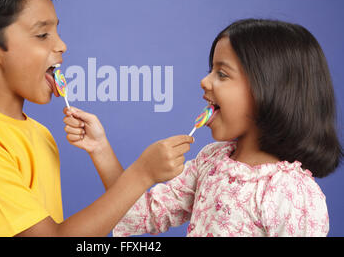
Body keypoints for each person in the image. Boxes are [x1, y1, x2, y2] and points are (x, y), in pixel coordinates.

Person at [0, 0, 194, 237]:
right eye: (42, 34)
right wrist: (141, 174)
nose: (62, 45)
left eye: (57, 31)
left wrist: (101, 149)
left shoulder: (39, 133)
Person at [64, 19, 342, 237]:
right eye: (211, 70)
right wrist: (100, 148)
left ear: (269, 91)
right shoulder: (210, 161)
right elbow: (138, 212)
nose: (204, 81)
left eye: (222, 74)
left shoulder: (292, 192)